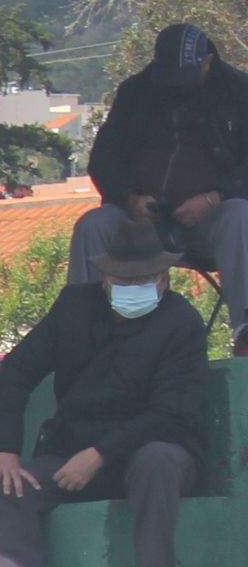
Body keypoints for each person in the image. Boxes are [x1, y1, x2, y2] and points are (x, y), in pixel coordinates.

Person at [0, 213, 211, 567]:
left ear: (164, 278)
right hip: (72, 452)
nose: (131, 288)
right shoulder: (74, 306)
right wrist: (4, 449)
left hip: (153, 449)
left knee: (158, 460)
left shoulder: (182, 322)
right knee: (8, 487)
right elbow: (17, 370)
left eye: (142, 279)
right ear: (104, 278)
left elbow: (171, 412)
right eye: (120, 280)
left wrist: (100, 453)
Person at [71, 20, 248, 342]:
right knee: (93, 226)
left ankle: (246, 332)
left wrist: (213, 199)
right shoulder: (135, 92)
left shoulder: (240, 93)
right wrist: (129, 198)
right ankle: (83, 335)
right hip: (137, 221)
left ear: (208, 62)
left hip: (211, 221)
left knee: (241, 218)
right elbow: (103, 160)